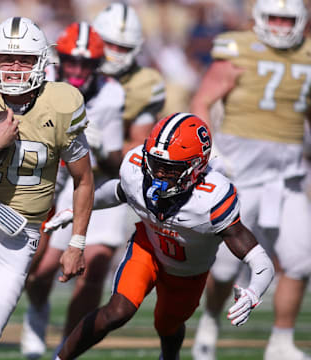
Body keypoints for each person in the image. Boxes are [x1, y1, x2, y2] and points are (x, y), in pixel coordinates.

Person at [45, 112, 275, 360]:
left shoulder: (212, 199)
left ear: (197, 166)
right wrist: (77, 209)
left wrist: (253, 293)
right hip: (147, 249)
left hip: (188, 273)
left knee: (168, 327)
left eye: (170, 168)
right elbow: (119, 192)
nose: (158, 174)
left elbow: (260, 261)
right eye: (155, 163)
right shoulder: (137, 170)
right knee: (117, 311)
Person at [0, 16, 94, 360]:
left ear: (41, 61)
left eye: (24, 59)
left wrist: (76, 243)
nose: (14, 68)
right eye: (6, 58)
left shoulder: (62, 103)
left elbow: (84, 179)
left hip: (19, 235)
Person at [189, 1, 311, 359]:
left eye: (287, 19)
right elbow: (202, 100)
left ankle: (281, 342)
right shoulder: (238, 47)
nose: (279, 25)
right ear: (258, 18)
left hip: (287, 178)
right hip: (240, 175)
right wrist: (209, 149)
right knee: (226, 268)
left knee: (301, 259)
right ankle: (211, 320)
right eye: (273, 17)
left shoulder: (307, 54)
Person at [20, 21, 126, 360]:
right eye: (73, 61)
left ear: (98, 65)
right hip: (47, 177)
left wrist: (99, 147)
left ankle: (65, 351)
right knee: (38, 269)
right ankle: (37, 311)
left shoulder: (111, 93)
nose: (78, 69)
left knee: (90, 267)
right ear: (60, 59)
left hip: (87, 182)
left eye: (86, 63)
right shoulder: (43, 81)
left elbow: (113, 160)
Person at [92, 2, 166, 155]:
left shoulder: (146, 83)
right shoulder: (77, 68)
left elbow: (139, 145)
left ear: (136, 48)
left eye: (123, 47)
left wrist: (104, 149)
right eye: (109, 44)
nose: (115, 52)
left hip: (109, 168)